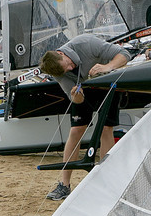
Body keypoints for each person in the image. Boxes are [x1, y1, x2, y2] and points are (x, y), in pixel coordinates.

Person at [36, 33, 130, 201]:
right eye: (66, 71)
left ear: (61, 54)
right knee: (76, 130)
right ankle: (64, 185)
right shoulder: (58, 71)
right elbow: (75, 99)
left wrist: (107, 66)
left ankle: (106, 180)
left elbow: (124, 55)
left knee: (105, 129)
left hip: (107, 83)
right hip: (85, 89)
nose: (70, 69)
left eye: (69, 65)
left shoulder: (86, 43)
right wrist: (77, 97)